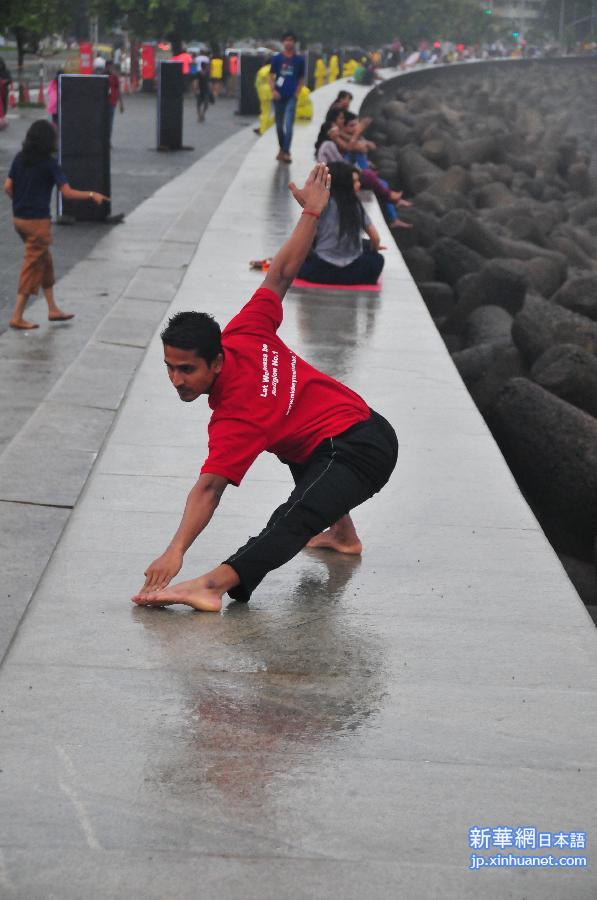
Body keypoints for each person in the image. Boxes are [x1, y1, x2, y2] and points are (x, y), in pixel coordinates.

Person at [132, 163, 398, 612]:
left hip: (361, 447)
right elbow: (280, 274)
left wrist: (175, 550)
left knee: (293, 519)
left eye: (186, 369)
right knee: (302, 449)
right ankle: (343, 536)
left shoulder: (237, 414)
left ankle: (212, 586)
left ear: (216, 360)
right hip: (348, 431)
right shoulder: (244, 332)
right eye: (170, 368)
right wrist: (311, 214)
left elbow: (209, 489)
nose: (176, 380)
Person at [4, 120, 109, 330]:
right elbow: (67, 192)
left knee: (45, 261)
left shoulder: (20, 158)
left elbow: (8, 186)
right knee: (31, 266)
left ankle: (52, 308)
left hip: (19, 220)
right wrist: (91, 194)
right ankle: (17, 316)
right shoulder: (50, 163)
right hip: (38, 223)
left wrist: (20, 201)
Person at [315, 111, 412, 229]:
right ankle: (392, 202)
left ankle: (393, 203)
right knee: (370, 177)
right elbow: (345, 155)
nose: (338, 126)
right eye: (338, 122)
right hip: (337, 177)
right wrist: (359, 132)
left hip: (339, 173)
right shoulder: (329, 144)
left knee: (375, 178)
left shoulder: (332, 141)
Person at [297, 162, 384, 286]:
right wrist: (372, 251)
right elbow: (376, 238)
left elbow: (307, 239)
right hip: (353, 274)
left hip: (320, 271)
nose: (358, 185)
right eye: (354, 181)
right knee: (377, 258)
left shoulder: (321, 205)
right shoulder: (356, 206)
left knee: (301, 258)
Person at [269, 31, 305, 163]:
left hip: (291, 96)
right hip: (278, 96)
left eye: (291, 40)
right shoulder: (277, 58)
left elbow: (301, 78)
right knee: (279, 126)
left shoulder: (299, 60)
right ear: (283, 42)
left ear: (294, 42)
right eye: (286, 40)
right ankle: (282, 148)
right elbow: (271, 76)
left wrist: (297, 92)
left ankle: (286, 151)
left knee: (289, 125)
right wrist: (273, 90)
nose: (288, 42)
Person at [105, 60, 124, 142]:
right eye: (109, 67)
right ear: (106, 67)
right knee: (103, 123)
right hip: (102, 103)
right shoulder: (101, 76)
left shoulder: (114, 77)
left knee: (109, 124)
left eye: (111, 67)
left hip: (112, 102)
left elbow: (118, 89)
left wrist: (121, 103)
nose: (110, 69)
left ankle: (108, 141)